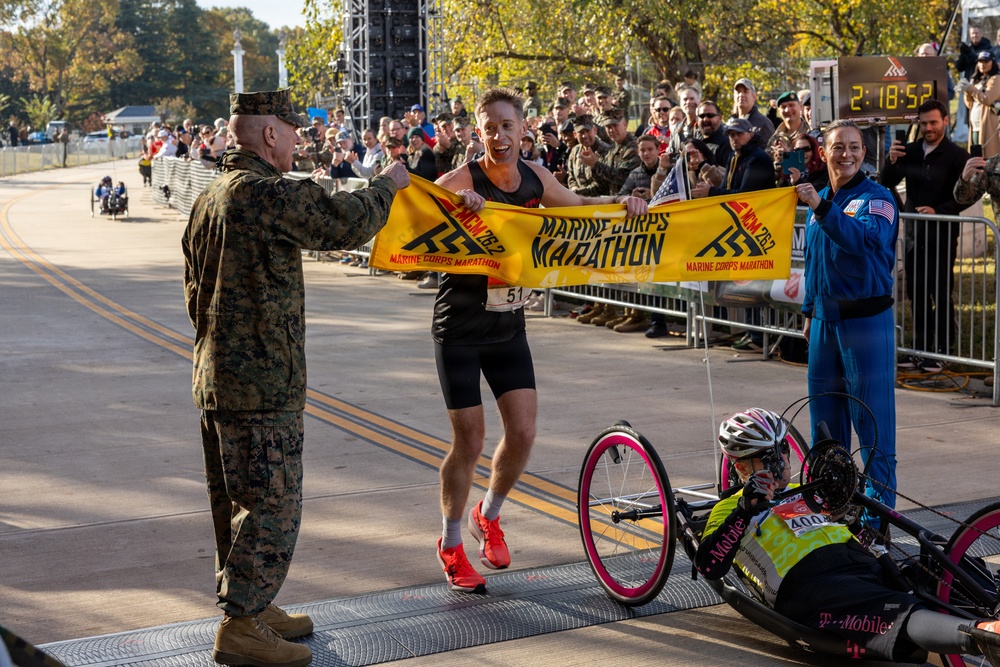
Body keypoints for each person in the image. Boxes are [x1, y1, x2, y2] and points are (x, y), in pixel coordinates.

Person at [182, 89, 410, 667]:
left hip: (218, 376)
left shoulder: (210, 196)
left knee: (233, 499)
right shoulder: (260, 193)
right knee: (271, 503)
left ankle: (252, 607)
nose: (298, 142)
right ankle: (240, 627)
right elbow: (343, 221)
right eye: (291, 131)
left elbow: (192, 290)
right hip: (261, 385)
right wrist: (388, 185)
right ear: (269, 135)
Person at [431, 86, 648, 593]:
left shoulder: (536, 177)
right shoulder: (462, 178)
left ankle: (489, 515)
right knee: (470, 441)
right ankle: (450, 543)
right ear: (477, 133)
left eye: (508, 126)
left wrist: (623, 202)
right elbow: (422, 207)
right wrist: (453, 206)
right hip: (460, 328)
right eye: (489, 128)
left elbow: (578, 208)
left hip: (507, 325)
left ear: (523, 130)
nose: (499, 136)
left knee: (523, 434)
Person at [695, 408, 1000, 666]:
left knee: (940, 563)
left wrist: (844, 505)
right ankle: (987, 635)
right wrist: (743, 511)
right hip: (809, 583)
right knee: (895, 609)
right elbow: (709, 565)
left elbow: (853, 525)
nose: (780, 461)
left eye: (782, 449)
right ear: (740, 466)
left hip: (860, 562)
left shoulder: (804, 493)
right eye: (766, 457)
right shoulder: (727, 508)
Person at [794, 119, 899, 515]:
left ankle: (877, 525)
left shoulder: (879, 199)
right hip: (823, 324)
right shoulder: (818, 197)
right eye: (838, 147)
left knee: (873, 433)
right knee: (825, 431)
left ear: (864, 152)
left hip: (866, 327)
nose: (847, 154)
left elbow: (864, 241)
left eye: (854, 146)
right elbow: (814, 263)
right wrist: (808, 312)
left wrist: (822, 208)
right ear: (824, 152)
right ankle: (831, 513)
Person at [881, 99, 970, 369]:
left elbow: (965, 197)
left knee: (940, 293)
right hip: (913, 237)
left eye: (933, 122)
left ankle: (942, 351)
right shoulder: (909, 151)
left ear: (945, 121)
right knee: (917, 293)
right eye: (923, 123)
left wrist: (938, 210)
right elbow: (886, 184)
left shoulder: (957, 156)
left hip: (942, 234)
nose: (928, 128)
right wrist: (891, 161)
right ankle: (919, 348)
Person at [965, 51, 1000, 158]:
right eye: (980, 62)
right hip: (975, 126)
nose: (982, 64)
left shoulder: (996, 78)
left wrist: (970, 89)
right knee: (976, 157)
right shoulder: (976, 80)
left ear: (993, 62)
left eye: (986, 61)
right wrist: (966, 91)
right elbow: (969, 104)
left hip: (988, 125)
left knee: (988, 158)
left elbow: (987, 99)